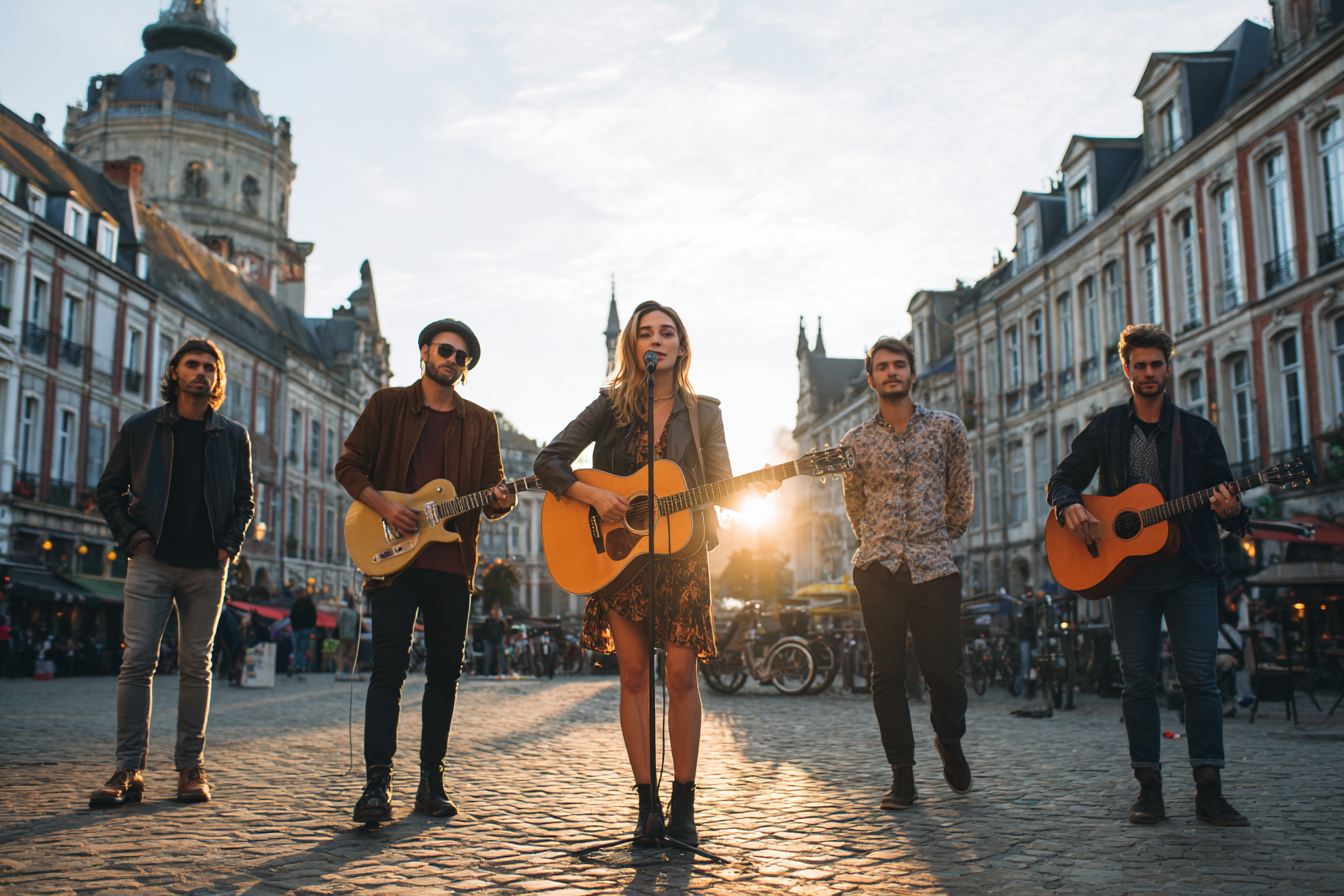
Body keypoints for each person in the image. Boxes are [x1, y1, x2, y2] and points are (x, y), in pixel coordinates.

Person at [535, 300, 777, 847]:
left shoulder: (704, 413)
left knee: (682, 677)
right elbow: (548, 462)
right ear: (633, 346)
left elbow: (722, 483)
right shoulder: (609, 407)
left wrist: (760, 485)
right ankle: (646, 805)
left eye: (668, 333)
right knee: (635, 677)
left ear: (682, 346)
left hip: (684, 556)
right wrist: (595, 495)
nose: (658, 340)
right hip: (621, 558)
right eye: (646, 333)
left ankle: (684, 806)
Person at [1047, 323, 1250, 827]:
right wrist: (1068, 503)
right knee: (1137, 682)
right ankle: (1149, 788)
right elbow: (1063, 479)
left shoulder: (1198, 432)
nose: (1148, 373)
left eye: (1156, 364)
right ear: (1126, 370)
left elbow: (1236, 515)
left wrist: (1230, 511)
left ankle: (1209, 790)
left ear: (1168, 365)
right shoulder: (1107, 428)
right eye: (1139, 365)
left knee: (1200, 680)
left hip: (1191, 571)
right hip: (1127, 576)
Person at [335, 318, 514, 823]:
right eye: (446, 351)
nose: (453, 361)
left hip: (452, 564)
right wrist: (386, 508)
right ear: (424, 352)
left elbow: (492, 493)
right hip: (393, 561)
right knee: (388, 667)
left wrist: (501, 499)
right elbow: (348, 466)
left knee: (444, 674)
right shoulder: (387, 404)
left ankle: (431, 779)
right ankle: (376, 783)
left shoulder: (481, 422)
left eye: (462, 357)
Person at [92, 338, 253, 807]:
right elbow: (109, 489)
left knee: (195, 665)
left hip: (207, 567)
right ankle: (128, 770)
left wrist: (228, 545)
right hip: (151, 562)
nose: (201, 373)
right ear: (175, 372)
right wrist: (134, 537)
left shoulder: (232, 435)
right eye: (192, 365)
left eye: (209, 367)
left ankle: (190, 768)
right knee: (137, 660)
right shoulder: (141, 428)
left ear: (217, 379)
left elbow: (245, 501)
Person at [839, 336, 973, 811]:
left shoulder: (946, 428)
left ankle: (949, 740)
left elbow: (961, 493)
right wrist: (875, 542)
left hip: (934, 564)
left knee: (945, 673)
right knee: (887, 672)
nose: (891, 372)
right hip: (877, 568)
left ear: (912, 374)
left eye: (899, 365)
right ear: (871, 378)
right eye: (882, 367)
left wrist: (940, 534)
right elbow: (854, 505)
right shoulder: (854, 442)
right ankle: (902, 774)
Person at [335, 588, 364, 681]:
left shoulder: (344, 611)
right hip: (353, 636)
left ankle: (339, 670)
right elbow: (359, 626)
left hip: (343, 635)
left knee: (342, 653)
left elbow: (339, 623)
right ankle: (351, 672)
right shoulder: (356, 613)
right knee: (351, 655)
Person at [289, 589, 318, 676]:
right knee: (302, 649)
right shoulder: (310, 604)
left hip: (297, 629)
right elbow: (314, 617)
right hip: (306, 629)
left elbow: (291, 616)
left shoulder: (296, 604)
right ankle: (300, 666)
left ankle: (297, 666)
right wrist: (311, 626)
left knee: (296, 649)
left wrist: (294, 627)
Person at [480, 603, 509, 676]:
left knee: (502, 655)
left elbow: (502, 631)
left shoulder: (501, 622)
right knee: (488, 655)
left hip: (498, 640)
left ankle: (503, 671)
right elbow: (484, 631)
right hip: (489, 640)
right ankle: (486, 672)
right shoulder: (488, 621)